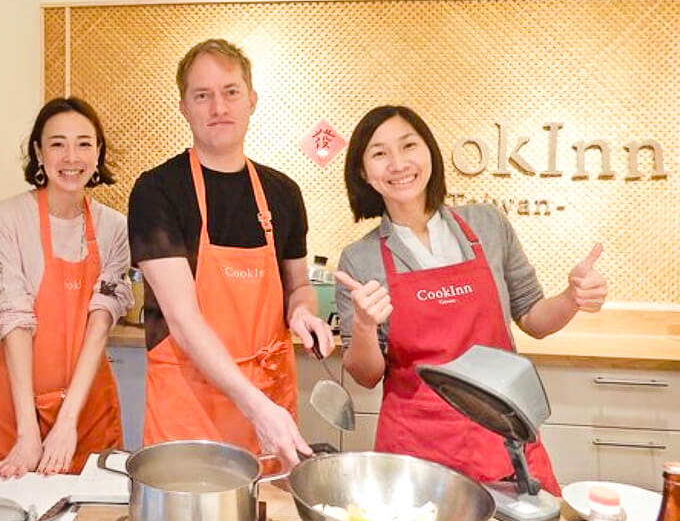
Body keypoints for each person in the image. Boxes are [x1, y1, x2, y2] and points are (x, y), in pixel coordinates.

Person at [336, 104, 608, 495]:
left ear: (429, 151)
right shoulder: (359, 259)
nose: (398, 164)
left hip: (503, 436)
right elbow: (366, 375)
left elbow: (532, 316)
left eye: (408, 145)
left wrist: (571, 297)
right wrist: (364, 325)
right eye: (379, 153)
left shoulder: (487, 223)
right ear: (364, 172)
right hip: (417, 453)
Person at [128, 38, 335, 468]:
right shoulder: (158, 190)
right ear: (184, 106)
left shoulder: (283, 193)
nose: (218, 107)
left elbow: (297, 286)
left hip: (270, 403)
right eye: (202, 95)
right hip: (191, 409)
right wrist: (255, 405)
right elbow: (183, 321)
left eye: (230, 92)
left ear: (252, 100)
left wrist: (302, 314)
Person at [0, 97, 131, 477]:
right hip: (15, 405)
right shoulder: (7, 219)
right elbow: (14, 321)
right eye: (57, 143)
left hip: (87, 405)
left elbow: (99, 326)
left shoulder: (114, 227)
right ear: (38, 152)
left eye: (84, 143)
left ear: (98, 153)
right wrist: (28, 433)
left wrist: (67, 422)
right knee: (13, 520)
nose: (71, 157)